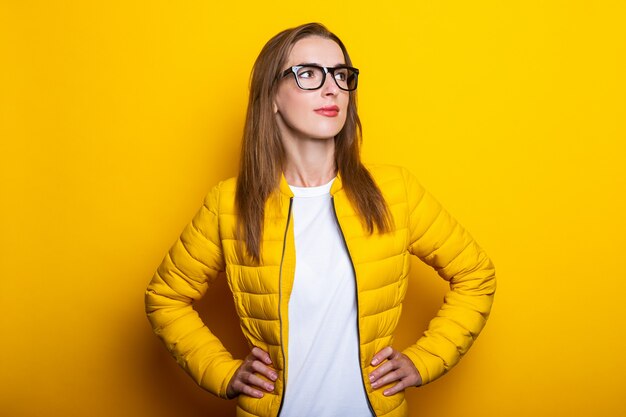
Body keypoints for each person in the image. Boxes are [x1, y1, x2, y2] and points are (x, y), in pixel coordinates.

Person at [145, 22, 496, 417]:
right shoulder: (229, 204)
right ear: (271, 96)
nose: (332, 88)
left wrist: (426, 358)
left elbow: (476, 275)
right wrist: (222, 372)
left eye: (340, 75)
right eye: (308, 74)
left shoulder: (396, 191)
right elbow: (165, 298)